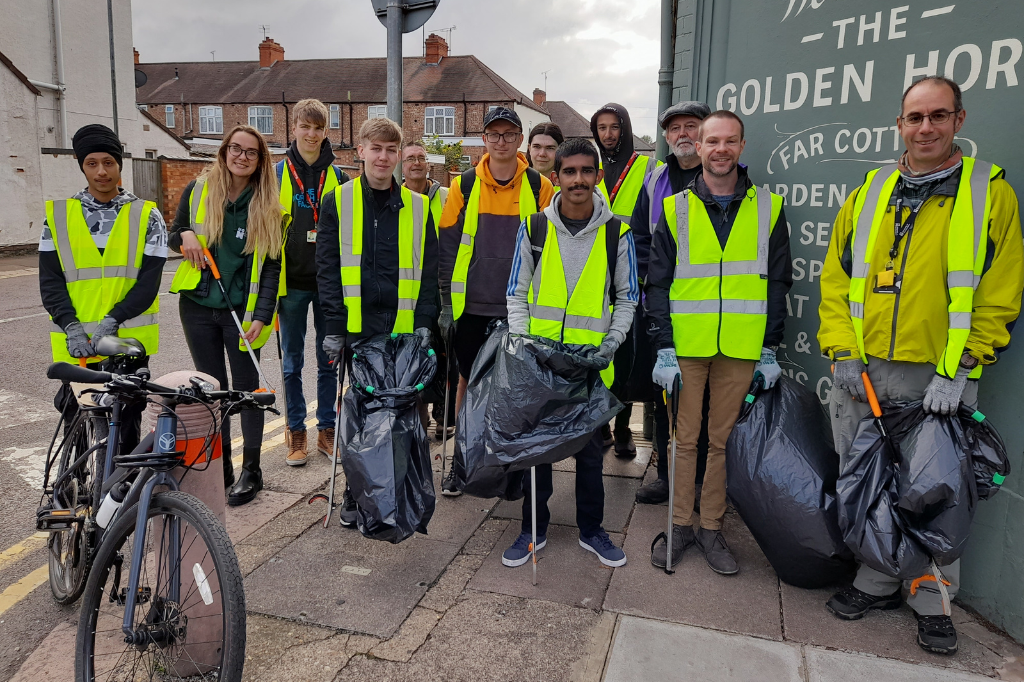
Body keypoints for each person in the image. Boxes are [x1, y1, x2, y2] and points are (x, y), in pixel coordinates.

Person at [817, 76, 1023, 656]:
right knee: (867, 480)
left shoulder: (988, 192)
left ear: (959, 120)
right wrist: (843, 351)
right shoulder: (873, 187)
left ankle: (931, 596)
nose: (925, 128)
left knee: (935, 487)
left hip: (936, 375)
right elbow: (837, 277)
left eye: (938, 116)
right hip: (864, 369)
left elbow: (1001, 291)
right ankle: (876, 579)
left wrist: (961, 370)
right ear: (899, 124)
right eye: (914, 117)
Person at [646, 110, 792, 575]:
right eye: (713, 142)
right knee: (683, 440)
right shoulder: (676, 209)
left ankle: (711, 528)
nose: (720, 150)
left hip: (742, 346)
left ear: (741, 146)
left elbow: (778, 282)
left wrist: (770, 347)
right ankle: (680, 525)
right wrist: (663, 346)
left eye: (730, 141)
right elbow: (658, 284)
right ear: (700, 148)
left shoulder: (769, 207)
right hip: (687, 346)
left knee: (722, 441)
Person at [505, 138, 638, 567]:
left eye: (586, 171)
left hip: (591, 365)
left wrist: (609, 346)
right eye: (569, 172)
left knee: (588, 452)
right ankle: (532, 529)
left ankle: (592, 530)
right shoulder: (534, 228)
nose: (578, 180)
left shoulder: (618, 232)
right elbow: (516, 295)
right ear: (556, 177)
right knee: (538, 450)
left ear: (598, 176)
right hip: (540, 362)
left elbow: (627, 298)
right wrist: (525, 347)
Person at [317, 117, 439, 528]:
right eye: (376, 149)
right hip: (358, 326)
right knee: (362, 414)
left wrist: (425, 319)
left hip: (404, 329)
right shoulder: (337, 201)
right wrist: (333, 327)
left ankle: (396, 489)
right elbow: (328, 270)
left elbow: (429, 271)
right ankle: (357, 493)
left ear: (399, 156)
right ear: (361, 152)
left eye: (391, 150)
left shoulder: (420, 207)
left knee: (403, 414)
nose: (383, 157)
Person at [437, 106, 555, 495]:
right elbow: (448, 246)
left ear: (520, 139)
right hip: (472, 306)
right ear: (484, 139)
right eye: (494, 134)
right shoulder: (465, 185)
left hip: (520, 308)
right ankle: (462, 464)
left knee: (516, 390)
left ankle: (511, 471)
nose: (501, 141)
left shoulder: (539, 187)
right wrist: (445, 305)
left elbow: (551, 250)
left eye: (509, 134)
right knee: (468, 386)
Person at [168, 125, 286, 506]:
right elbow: (175, 233)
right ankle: (222, 469)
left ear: (259, 161)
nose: (241, 156)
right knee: (211, 393)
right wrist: (185, 233)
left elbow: (272, 266)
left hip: (243, 312)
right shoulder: (199, 190)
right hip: (198, 307)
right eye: (236, 148)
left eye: (251, 152)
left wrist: (263, 315)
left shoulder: (268, 204)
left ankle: (252, 469)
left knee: (248, 391)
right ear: (224, 151)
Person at [40, 123, 166, 454]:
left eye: (108, 162)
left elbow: (148, 282)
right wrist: (71, 326)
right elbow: (50, 282)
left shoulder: (147, 216)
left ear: (119, 164)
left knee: (125, 417)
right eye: (92, 163)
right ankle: (75, 492)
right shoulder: (58, 217)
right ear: (82, 166)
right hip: (75, 340)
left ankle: (119, 495)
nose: (101, 172)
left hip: (125, 338)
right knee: (75, 417)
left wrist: (113, 319)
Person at [630, 101, 710, 505]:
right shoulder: (655, 181)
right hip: (663, 306)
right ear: (665, 137)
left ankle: (699, 484)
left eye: (691, 126)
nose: (683, 134)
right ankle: (666, 475)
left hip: (711, 310)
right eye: (675, 128)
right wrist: (650, 288)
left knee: (706, 399)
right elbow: (640, 240)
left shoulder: (725, 177)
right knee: (666, 393)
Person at [276, 99, 351, 467]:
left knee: (328, 360)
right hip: (289, 283)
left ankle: (326, 428)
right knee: (291, 362)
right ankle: (295, 431)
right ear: (294, 128)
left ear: (325, 133)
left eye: (318, 128)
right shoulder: (276, 173)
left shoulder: (338, 177)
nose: (311, 134)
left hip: (328, 282)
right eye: (305, 126)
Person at [590, 103, 660, 457]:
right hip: (595, 277)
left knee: (629, 356)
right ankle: (600, 422)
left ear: (626, 127)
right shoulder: (590, 168)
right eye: (601, 127)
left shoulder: (649, 168)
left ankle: (622, 425)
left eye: (614, 126)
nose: (607, 134)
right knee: (598, 350)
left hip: (635, 275)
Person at [401, 140, 453, 438]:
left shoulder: (444, 196)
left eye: (421, 157)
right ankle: (419, 412)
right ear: (402, 164)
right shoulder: (395, 197)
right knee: (419, 352)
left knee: (445, 352)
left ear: (428, 164)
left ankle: (444, 417)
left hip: (441, 284)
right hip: (410, 286)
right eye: (410, 159)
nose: (417, 163)